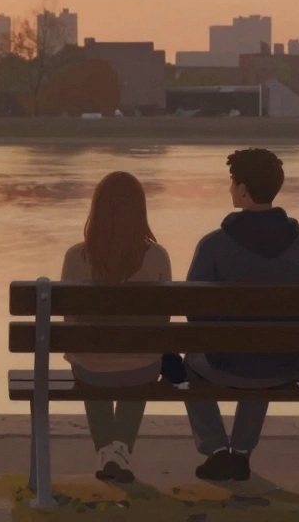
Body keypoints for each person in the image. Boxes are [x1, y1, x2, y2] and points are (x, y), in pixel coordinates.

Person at [182, 148, 299, 482]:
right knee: (268, 344)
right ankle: (241, 452)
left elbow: (192, 312)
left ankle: (216, 451)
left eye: (232, 184)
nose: (230, 190)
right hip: (283, 367)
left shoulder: (213, 245)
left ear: (243, 189)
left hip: (224, 364)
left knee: (192, 362)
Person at [61, 171, 173, 484]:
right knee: (139, 359)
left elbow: (69, 323)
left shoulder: (75, 256)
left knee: (89, 360)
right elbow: (163, 323)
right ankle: (119, 451)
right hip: (142, 367)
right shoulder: (158, 256)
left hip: (90, 369)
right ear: (140, 211)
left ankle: (106, 452)